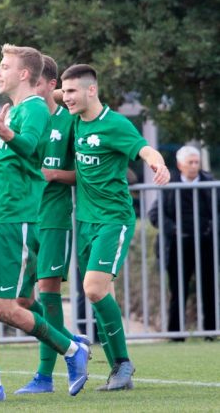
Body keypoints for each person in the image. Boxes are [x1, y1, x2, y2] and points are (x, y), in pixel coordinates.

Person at [0, 44, 89, 403]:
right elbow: (14, 152)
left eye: (4, 66)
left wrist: (4, 131)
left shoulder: (34, 109)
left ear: (24, 74)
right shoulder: (15, 111)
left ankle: (72, 349)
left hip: (17, 219)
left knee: (6, 307)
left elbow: (30, 147)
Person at [61, 64, 170, 391]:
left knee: (93, 289)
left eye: (72, 92)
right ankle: (119, 372)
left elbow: (144, 148)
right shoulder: (75, 120)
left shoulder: (115, 124)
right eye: (64, 92)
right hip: (84, 221)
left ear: (91, 90)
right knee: (100, 294)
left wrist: (158, 163)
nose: (66, 98)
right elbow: (55, 94)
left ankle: (122, 363)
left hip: (113, 219)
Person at [14, 55, 90, 395]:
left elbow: (83, 174)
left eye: (37, 84)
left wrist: (55, 174)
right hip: (26, 217)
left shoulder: (69, 120)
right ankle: (70, 340)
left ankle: (44, 377)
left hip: (55, 218)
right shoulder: (28, 117)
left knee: (48, 290)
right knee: (21, 300)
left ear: (50, 84)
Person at [148, 145, 217, 340]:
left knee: (209, 289)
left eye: (196, 162)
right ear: (180, 165)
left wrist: (211, 227)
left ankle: (211, 333)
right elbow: (155, 214)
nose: (194, 166)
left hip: (206, 244)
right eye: (190, 162)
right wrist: (174, 230)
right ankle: (176, 335)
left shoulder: (210, 183)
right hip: (177, 246)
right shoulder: (170, 184)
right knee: (178, 290)